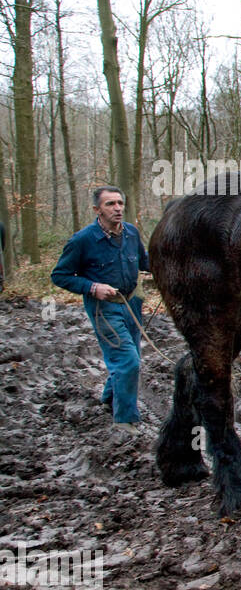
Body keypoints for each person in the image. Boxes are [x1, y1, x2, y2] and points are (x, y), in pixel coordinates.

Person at [51, 186, 150, 435]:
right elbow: (60, 276)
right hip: (103, 309)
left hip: (132, 304)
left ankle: (109, 397)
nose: (117, 208)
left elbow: (145, 262)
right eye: (110, 204)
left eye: (119, 203)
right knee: (128, 361)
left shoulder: (131, 233)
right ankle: (125, 422)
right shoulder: (82, 240)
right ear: (97, 209)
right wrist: (92, 287)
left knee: (129, 358)